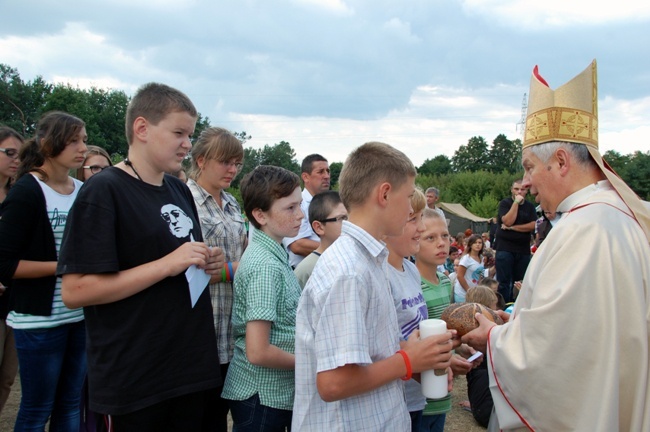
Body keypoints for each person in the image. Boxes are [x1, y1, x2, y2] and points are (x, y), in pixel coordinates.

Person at [462, 60, 650, 431]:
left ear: (561, 161)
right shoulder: (619, 217)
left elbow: (559, 357)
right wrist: (515, 325)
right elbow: (583, 330)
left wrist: (495, 339)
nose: (527, 183)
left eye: (530, 167)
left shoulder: (585, 229)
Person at [58, 83, 224, 431]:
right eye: (179, 132)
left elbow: (178, 263)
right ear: (142, 128)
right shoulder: (104, 191)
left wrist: (203, 262)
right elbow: (76, 291)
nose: (187, 144)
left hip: (190, 369)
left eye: (189, 134)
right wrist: (166, 265)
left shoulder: (178, 188)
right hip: (136, 380)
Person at [292, 142, 456, 431]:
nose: (410, 209)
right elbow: (333, 383)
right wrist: (408, 360)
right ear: (384, 194)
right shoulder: (349, 271)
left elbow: (370, 350)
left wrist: (416, 358)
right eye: (407, 199)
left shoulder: (370, 260)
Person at [0, 112, 88, 430]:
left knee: (69, 407)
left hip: (79, 318)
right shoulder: (27, 191)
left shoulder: (82, 190)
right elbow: (5, 264)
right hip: (38, 322)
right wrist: (65, 267)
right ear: (49, 144)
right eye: (74, 140)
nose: (82, 147)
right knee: (37, 409)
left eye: (84, 139)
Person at [222, 165, 303, 431]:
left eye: (299, 205)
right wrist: (309, 362)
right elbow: (258, 351)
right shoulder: (264, 266)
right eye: (290, 208)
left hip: (274, 396)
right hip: (262, 398)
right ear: (260, 214)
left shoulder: (275, 254)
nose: (300, 215)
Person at [187, 127, 248, 431]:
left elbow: (249, 259)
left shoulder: (232, 203)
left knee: (220, 417)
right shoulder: (185, 201)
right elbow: (193, 271)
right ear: (201, 160)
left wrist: (227, 268)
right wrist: (238, 267)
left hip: (232, 329)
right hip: (201, 329)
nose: (233, 170)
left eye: (237, 163)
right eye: (225, 162)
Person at [415, 208, 480, 432]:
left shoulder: (444, 282)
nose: (441, 243)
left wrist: (463, 350)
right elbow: (416, 342)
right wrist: (447, 359)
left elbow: (448, 333)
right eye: (430, 238)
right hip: (420, 393)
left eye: (445, 236)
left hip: (443, 388)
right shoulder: (413, 286)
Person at [385, 188, 428, 431]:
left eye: (422, 218)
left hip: (417, 393)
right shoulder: (381, 275)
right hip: (397, 394)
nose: (421, 227)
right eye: (413, 219)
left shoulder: (411, 270)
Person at [0, 126, 22, 416]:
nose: (16, 159)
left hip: (15, 300)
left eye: (20, 154)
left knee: (6, 378)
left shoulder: (18, 195)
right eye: (9, 153)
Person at [283, 154, 331, 268]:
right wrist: (337, 248)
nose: (327, 176)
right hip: (305, 276)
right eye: (320, 172)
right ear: (305, 177)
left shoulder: (331, 204)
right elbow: (297, 245)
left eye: (328, 171)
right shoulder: (296, 204)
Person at [293, 191, 347, 289]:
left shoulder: (353, 258)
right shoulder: (306, 270)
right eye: (342, 218)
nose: (349, 224)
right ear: (319, 227)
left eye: (350, 218)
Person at [494, 180, 536, 303]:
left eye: (522, 189)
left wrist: (512, 228)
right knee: (504, 283)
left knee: (520, 282)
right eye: (516, 189)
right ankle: (503, 306)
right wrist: (516, 202)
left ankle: (518, 305)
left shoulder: (530, 207)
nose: (519, 192)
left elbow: (533, 225)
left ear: (526, 191)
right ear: (512, 190)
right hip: (505, 248)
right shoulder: (505, 203)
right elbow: (507, 221)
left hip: (522, 249)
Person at [454, 234, 485, 303]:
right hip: (463, 293)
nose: (477, 245)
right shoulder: (466, 259)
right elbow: (460, 276)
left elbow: (480, 274)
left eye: (480, 243)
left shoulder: (482, 258)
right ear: (471, 245)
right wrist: (469, 291)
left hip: (475, 292)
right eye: (475, 243)